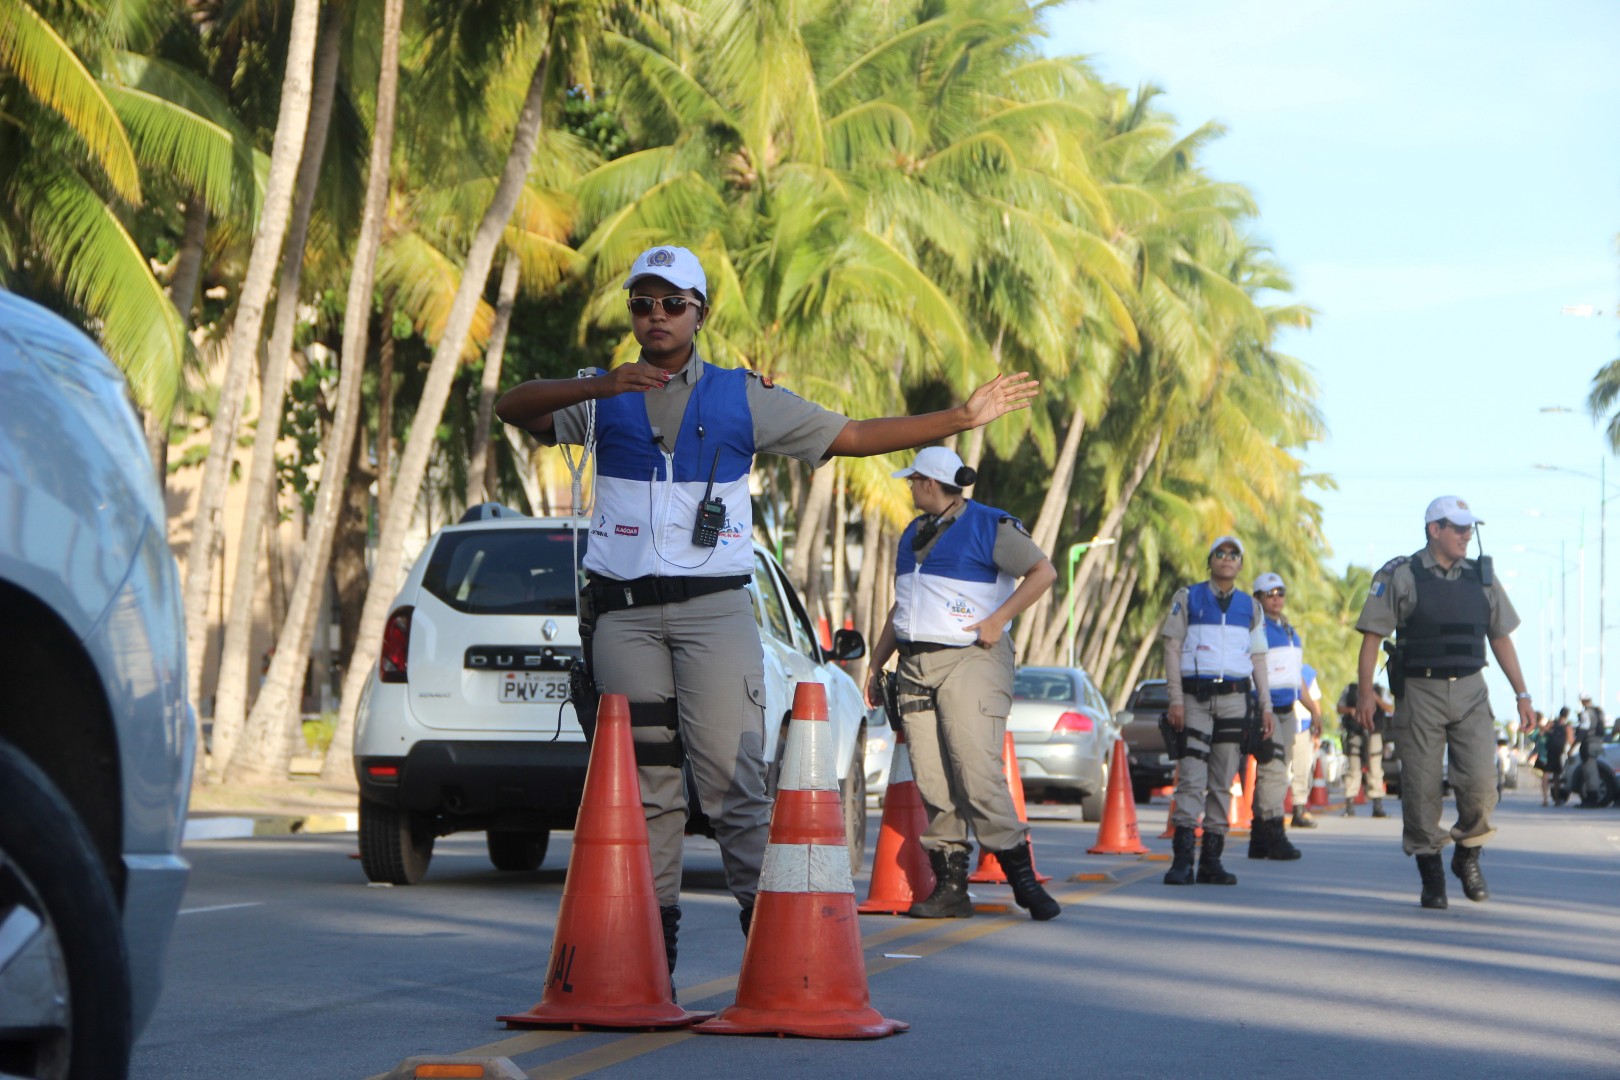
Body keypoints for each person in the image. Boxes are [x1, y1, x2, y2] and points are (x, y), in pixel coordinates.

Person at [494, 245, 1040, 974]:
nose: (656, 317)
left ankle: (780, 953)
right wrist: (589, 389)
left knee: (733, 783)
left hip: (712, 614)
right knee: (645, 786)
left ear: (699, 313)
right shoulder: (597, 396)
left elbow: (851, 437)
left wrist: (960, 416)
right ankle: (651, 954)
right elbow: (510, 406)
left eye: (672, 304)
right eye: (642, 304)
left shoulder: (742, 396)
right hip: (623, 618)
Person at [863, 445, 1060, 921]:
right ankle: (951, 887)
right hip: (915, 664)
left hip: (972, 661)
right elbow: (902, 606)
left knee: (975, 772)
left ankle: (1023, 880)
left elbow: (1043, 571)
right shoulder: (912, 533)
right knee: (932, 778)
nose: (910, 487)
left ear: (930, 484)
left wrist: (998, 620)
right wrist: (876, 662)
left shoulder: (990, 525)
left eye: (914, 481)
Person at [1353, 496, 1535, 910]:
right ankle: (1431, 873)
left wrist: (1522, 693)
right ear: (1434, 530)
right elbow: (1372, 638)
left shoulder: (1482, 577)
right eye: (1457, 527)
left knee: (1481, 789)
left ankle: (1467, 855)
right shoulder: (1400, 574)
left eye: (1469, 528)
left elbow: (1501, 636)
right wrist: (1366, 692)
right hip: (1420, 693)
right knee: (1419, 790)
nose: (1465, 534)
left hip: (1471, 691)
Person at [1159, 536, 1275, 886]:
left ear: (1240, 565)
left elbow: (1258, 659)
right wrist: (1175, 699)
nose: (1227, 559)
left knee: (1224, 779)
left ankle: (1211, 860)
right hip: (1194, 699)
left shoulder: (1250, 608)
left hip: (1235, 700)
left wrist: (1265, 706)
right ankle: (1182, 861)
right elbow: (1172, 648)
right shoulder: (1188, 597)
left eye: (1234, 555)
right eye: (1220, 554)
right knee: (1191, 777)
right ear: (1210, 560)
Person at [1248, 572, 1306, 860]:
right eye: (1269, 593)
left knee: (1275, 772)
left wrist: (1313, 710)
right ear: (1257, 597)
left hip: (1287, 709)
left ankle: (1258, 837)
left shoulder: (1287, 629)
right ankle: (1274, 834)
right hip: (1265, 708)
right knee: (1273, 772)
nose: (1276, 598)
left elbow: (1297, 674)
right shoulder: (1256, 628)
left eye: (1280, 592)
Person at [1337, 681, 1392, 817]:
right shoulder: (1350, 689)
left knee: (1375, 768)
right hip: (1355, 732)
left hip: (1374, 732)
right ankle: (1349, 805)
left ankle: (1377, 805)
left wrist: (1376, 699)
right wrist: (1350, 711)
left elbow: (1390, 708)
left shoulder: (1380, 690)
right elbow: (1339, 708)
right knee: (1353, 768)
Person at [1288, 662, 1324, 828]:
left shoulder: (1307, 672)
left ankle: (1298, 810)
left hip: (1302, 726)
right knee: (1279, 770)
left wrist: (1317, 727)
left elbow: (1315, 700)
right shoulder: (1274, 660)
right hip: (1281, 721)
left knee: (1301, 770)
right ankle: (1272, 812)